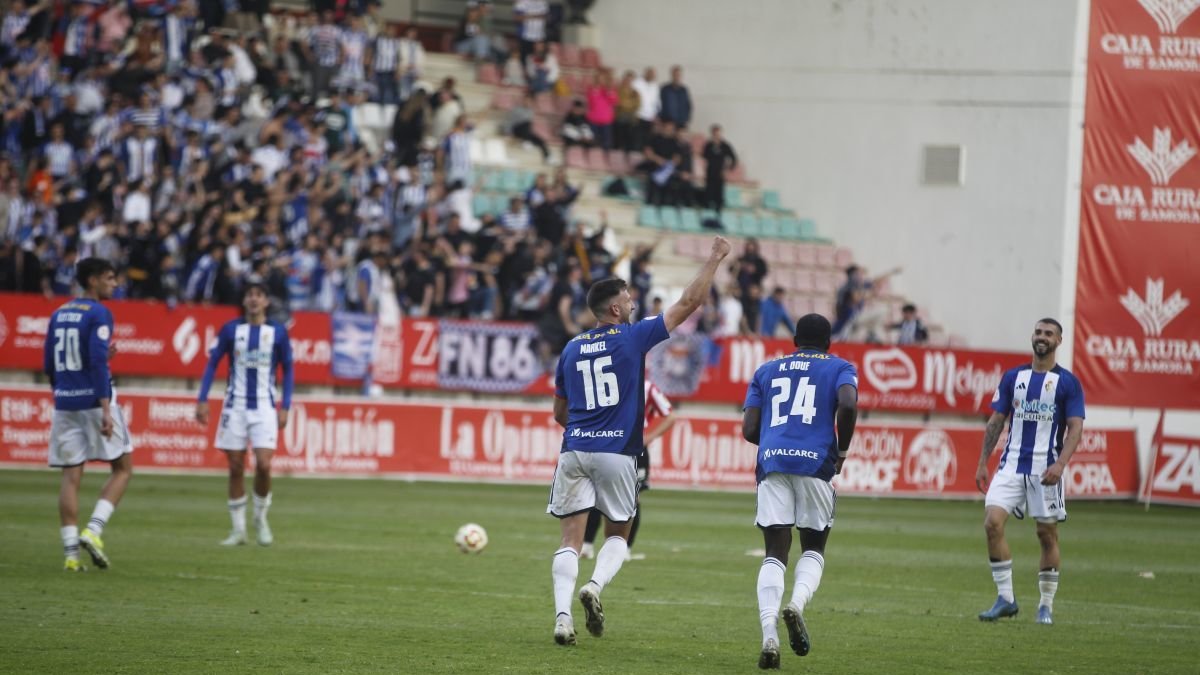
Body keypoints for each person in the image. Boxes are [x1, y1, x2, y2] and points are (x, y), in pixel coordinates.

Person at [548, 236, 732, 646]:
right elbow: (689, 303)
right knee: (619, 534)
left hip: (574, 449)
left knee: (569, 540)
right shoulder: (632, 337)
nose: (633, 304)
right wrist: (715, 259)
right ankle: (594, 587)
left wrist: (582, 429)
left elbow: (559, 412)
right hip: (618, 453)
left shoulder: (571, 348)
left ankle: (562, 619)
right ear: (615, 309)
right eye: (629, 300)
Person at [742, 313, 858, 669]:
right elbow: (849, 405)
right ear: (828, 342)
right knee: (814, 546)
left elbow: (749, 429)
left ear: (794, 339)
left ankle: (769, 636)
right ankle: (796, 604)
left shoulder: (766, 370)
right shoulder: (840, 367)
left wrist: (778, 441)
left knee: (775, 551)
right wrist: (841, 452)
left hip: (773, 463)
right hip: (815, 463)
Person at [975, 318, 1085, 626]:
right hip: (1010, 467)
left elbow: (1076, 429)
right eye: (1038, 332)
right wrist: (983, 461)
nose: (1042, 337)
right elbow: (996, 420)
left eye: (1049, 333)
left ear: (1058, 341)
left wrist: (1061, 464)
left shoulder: (1067, 383)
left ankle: (1045, 605)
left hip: (1045, 470)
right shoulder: (1014, 377)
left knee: (1046, 534)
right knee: (992, 524)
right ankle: (1006, 599)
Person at [44, 257, 134, 571]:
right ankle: (93, 531)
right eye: (110, 278)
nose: (115, 283)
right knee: (122, 468)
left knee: (71, 476)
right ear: (93, 280)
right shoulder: (99, 312)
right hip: (95, 402)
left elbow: (49, 364)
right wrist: (106, 407)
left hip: (65, 402)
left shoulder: (58, 312)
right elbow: (97, 361)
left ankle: (70, 556)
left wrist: (63, 393)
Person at [195, 281, 295, 547]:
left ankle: (260, 518)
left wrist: (286, 406)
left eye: (259, 295)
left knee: (263, 464)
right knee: (236, 467)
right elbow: (212, 363)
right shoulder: (230, 330)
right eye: (250, 295)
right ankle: (238, 529)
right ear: (244, 301)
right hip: (235, 406)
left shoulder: (277, 332)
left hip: (264, 406)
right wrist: (202, 399)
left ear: (265, 301)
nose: (253, 299)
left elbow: (289, 369)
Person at [580, 378, 676, 561]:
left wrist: (648, 438)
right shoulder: (608, 381)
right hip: (609, 445)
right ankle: (587, 545)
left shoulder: (647, 387)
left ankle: (624, 549)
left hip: (634, 449)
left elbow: (670, 415)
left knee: (632, 498)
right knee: (597, 493)